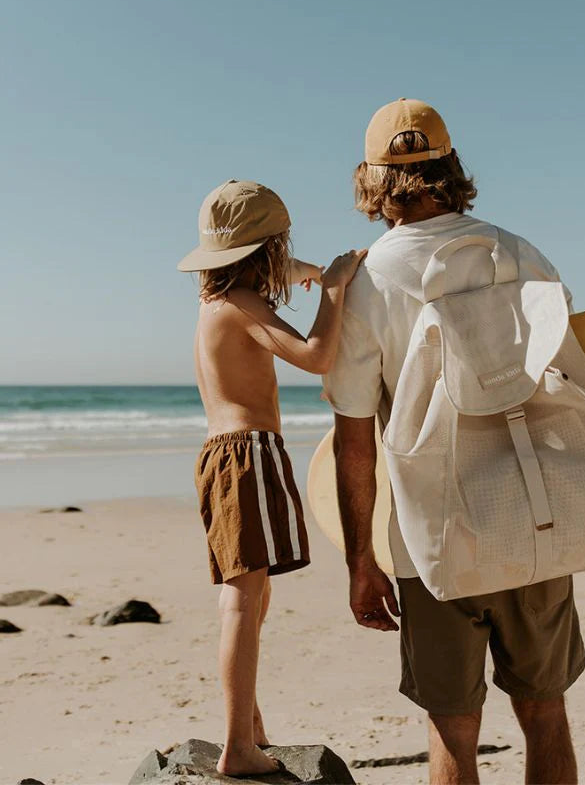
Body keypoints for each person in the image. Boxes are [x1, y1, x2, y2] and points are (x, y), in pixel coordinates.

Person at [324, 100, 585, 785]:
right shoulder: (519, 253)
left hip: (434, 539)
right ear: (450, 168)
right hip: (534, 516)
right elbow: (572, 384)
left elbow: (354, 443)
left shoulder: (365, 282)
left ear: (373, 180)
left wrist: (361, 560)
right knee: (546, 711)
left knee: (453, 728)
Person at [177, 179, 365, 777]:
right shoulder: (247, 307)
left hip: (223, 454)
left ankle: (249, 724)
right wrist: (332, 292)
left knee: (253, 597)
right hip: (248, 454)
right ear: (266, 252)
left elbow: (274, 277)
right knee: (244, 600)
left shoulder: (217, 301)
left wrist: (305, 270)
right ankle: (238, 745)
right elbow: (316, 356)